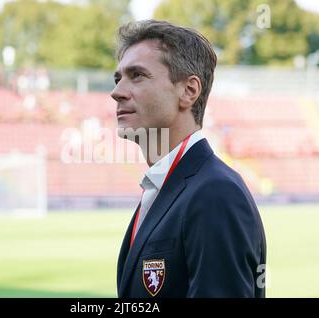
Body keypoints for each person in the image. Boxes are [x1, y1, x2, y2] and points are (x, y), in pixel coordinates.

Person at [111, 20, 266, 298]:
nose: (117, 92)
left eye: (137, 75)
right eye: (117, 78)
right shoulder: (166, 187)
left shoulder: (215, 192)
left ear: (189, 91)